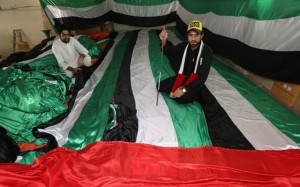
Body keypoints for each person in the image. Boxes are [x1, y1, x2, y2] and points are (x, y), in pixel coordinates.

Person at [157, 20, 213, 104]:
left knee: (180, 99)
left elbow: (203, 77)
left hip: (195, 83)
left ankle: (196, 95)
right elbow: (169, 52)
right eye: (190, 35)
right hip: (183, 78)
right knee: (159, 86)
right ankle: (180, 90)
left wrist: (184, 90)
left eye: (196, 35)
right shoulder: (184, 46)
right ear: (187, 36)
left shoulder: (207, 52)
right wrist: (164, 40)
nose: (193, 39)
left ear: (201, 36)